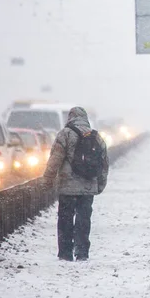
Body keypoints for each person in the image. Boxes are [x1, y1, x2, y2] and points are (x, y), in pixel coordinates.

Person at [43, 107, 109, 262]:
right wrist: (100, 184)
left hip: (67, 186)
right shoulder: (96, 136)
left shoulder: (65, 134)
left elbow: (55, 160)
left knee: (65, 219)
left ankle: (65, 253)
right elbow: (104, 163)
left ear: (70, 117)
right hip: (88, 187)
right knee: (83, 219)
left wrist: (48, 180)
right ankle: (82, 252)